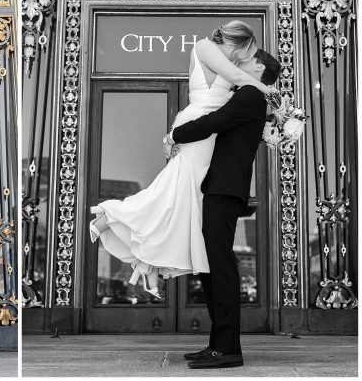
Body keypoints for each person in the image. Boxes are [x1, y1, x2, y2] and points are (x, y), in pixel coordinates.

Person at [89, 20, 278, 297]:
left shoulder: (232, 64)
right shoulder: (205, 46)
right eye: (247, 48)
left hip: (208, 130)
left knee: (182, 196)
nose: (247, 55)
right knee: (177, 190)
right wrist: (271, 93)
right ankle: (112, 217)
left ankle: (147, 261)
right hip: (200, 123)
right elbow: (238, 80)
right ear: (235, 40)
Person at [170, 49, 281, 369]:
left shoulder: (249, 94)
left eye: (245, 59)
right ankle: (217, 344)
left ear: (258, 67)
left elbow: (215, 122)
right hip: (218, 188)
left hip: (225, 189)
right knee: (210, 268)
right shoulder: (247, 94)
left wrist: (176, 133)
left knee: (221, 269)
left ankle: (229, 348)